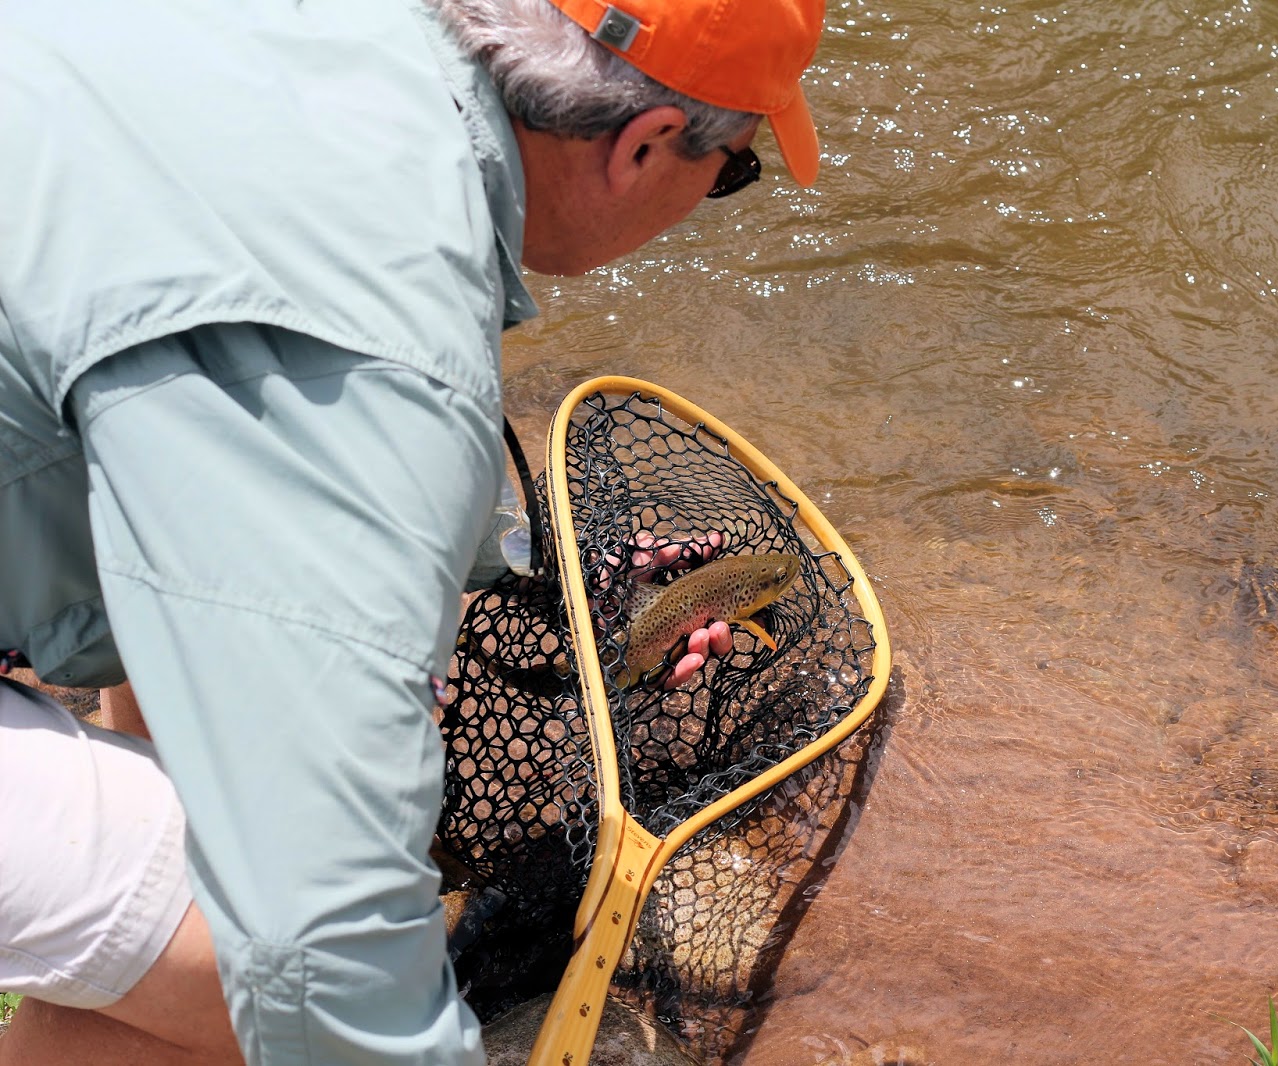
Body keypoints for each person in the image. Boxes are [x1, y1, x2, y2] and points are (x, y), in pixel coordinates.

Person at [0, 0, 825, 1062]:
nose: (711, 196)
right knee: (244, 969)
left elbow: (179, 511)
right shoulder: (383, 351)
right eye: (732, 173)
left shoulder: (301, 42)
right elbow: (320, 953)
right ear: (645, 144)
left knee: (183, 909)